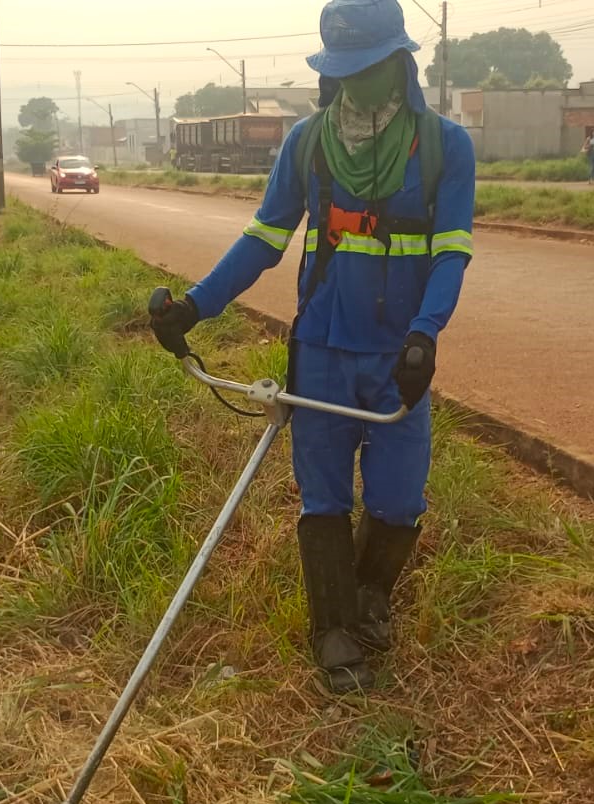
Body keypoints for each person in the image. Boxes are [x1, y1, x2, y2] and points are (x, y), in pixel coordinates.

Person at [151, 0, 475, 694]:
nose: (353, 84)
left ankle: (368, 597)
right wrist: (194, 305)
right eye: (342, 71)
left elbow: (450, 252)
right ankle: (332, 628)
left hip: (396, 360)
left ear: (398, 62)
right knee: (322, 498)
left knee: (397, 500)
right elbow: (264, 239)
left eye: (365, 68)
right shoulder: (306, 142)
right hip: (323, 351)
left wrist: (426, 333)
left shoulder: (445, 146)